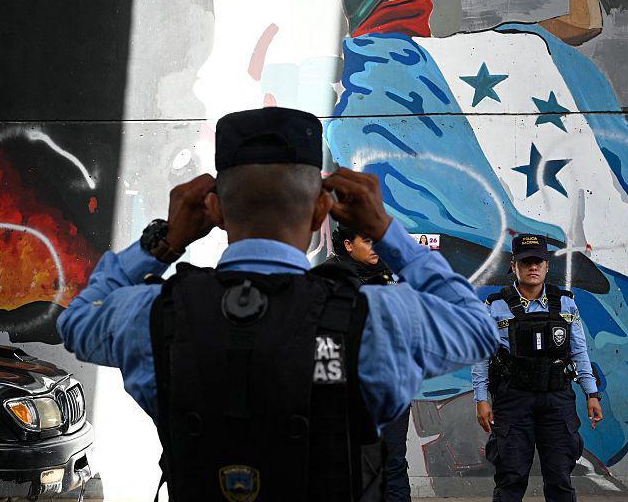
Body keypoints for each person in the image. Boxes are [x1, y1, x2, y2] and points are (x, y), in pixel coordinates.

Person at [58, 107, 499, 502]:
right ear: (320, 212)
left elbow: (76, 321)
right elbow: (479, 330)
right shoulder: (378, 317)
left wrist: (165, 241)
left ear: (215, 211)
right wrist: (386, 231)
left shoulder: (151, 314)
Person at [471, 234, 603, 502]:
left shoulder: (565, 303)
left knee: (560, 477)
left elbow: (579, 351)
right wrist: (481, 399)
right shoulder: (495, 306)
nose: (532, 267)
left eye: (538, 262)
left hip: (556, 398)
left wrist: (591, 394)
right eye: (525, 262)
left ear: (546, 266)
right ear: (513, 266)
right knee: (510, 476)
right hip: (513, 400)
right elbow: (481, 357)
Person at [319, 225, 411, 502]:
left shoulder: (394, 277)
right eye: (368, 241)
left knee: (393, 463)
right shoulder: (327, 280)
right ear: (348, 244)